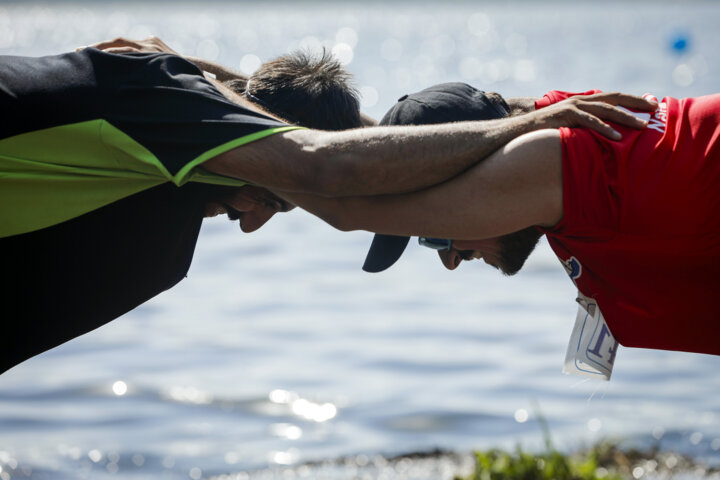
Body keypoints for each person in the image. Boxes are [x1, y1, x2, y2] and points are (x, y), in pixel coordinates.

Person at [0, 37, 654, 374]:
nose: (251, 221)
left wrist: (363, 132)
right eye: (262, 199)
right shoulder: (166, 102)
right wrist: (520, 129)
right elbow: (329, 167)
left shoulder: (153, 96)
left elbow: (333, 151)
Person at [279, 82, 720, 365]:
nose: (450, 260)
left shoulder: (552, 168)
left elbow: (340, 204)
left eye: (434, 229)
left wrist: (230, 140)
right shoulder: (558, 115)